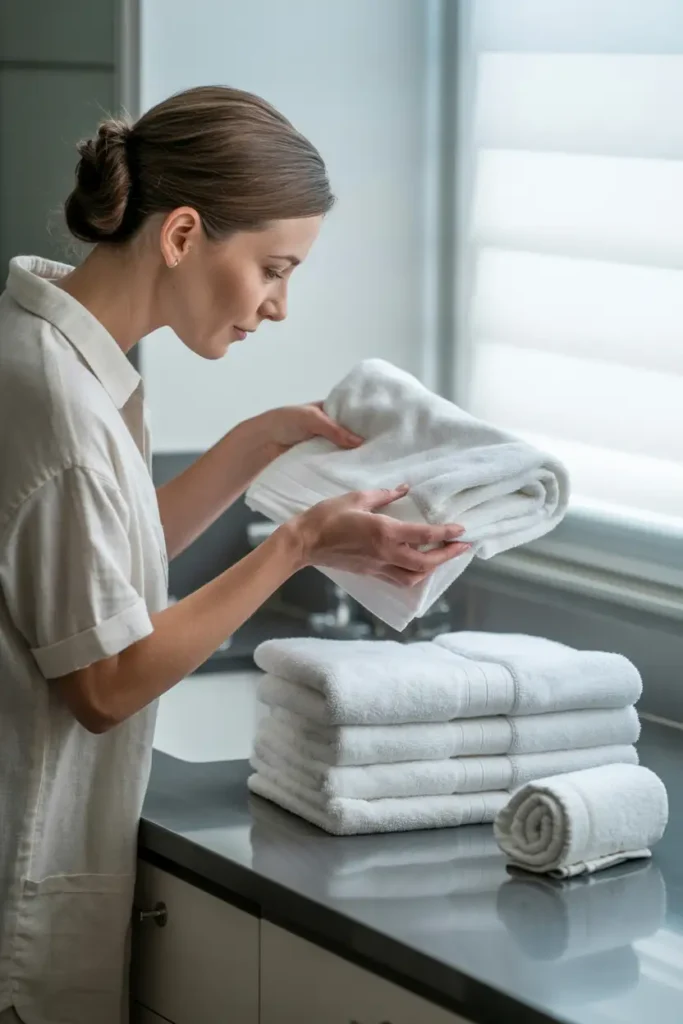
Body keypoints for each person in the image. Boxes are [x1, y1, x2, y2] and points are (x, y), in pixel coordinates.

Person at [0, 85, 468, 1024]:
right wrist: (294, 544)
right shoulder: (63, 407)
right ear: (181, 235)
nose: (281, 306)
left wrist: (253, 443)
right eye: (272, 268)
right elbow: (106, 683)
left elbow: (104, 565)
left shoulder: (51, 346)